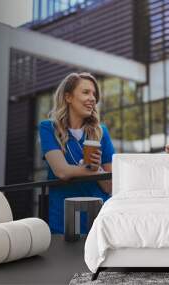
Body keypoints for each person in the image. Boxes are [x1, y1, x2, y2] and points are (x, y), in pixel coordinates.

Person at [39, 72, 115, 234]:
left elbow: (110, 185)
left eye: (94, 94)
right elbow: (61, 171)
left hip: (99, 218)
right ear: (68, 97)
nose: (93, 98)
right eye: (86, 92)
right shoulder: (48, 128)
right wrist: (93, 171)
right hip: (64, 218)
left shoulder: (101, 132)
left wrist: (97, 169)